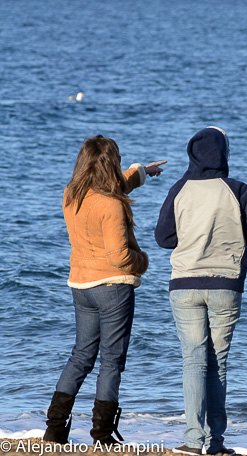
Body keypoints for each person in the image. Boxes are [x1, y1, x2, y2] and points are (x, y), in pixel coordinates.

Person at [155, 126, 247, 456]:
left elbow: (164, 239)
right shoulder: (237, 189)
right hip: (226, 285)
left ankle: (193, 441)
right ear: (224, 154)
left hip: (184, 285)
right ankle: (216, 442)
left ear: (192, 154)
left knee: (193, 361)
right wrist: (242, 235)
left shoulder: (179, 189)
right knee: (218, 363)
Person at [44, 135, 165, 445]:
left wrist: (141, 172)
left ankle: (55, 430)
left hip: (81, 285)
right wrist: (143, 261)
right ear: (112, 163)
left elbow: (111, 188)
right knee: (112, 361)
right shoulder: (110, 204)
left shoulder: (71, 194)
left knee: (80, 356)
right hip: (112, 287)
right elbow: (119, 257)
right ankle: (102, 434)